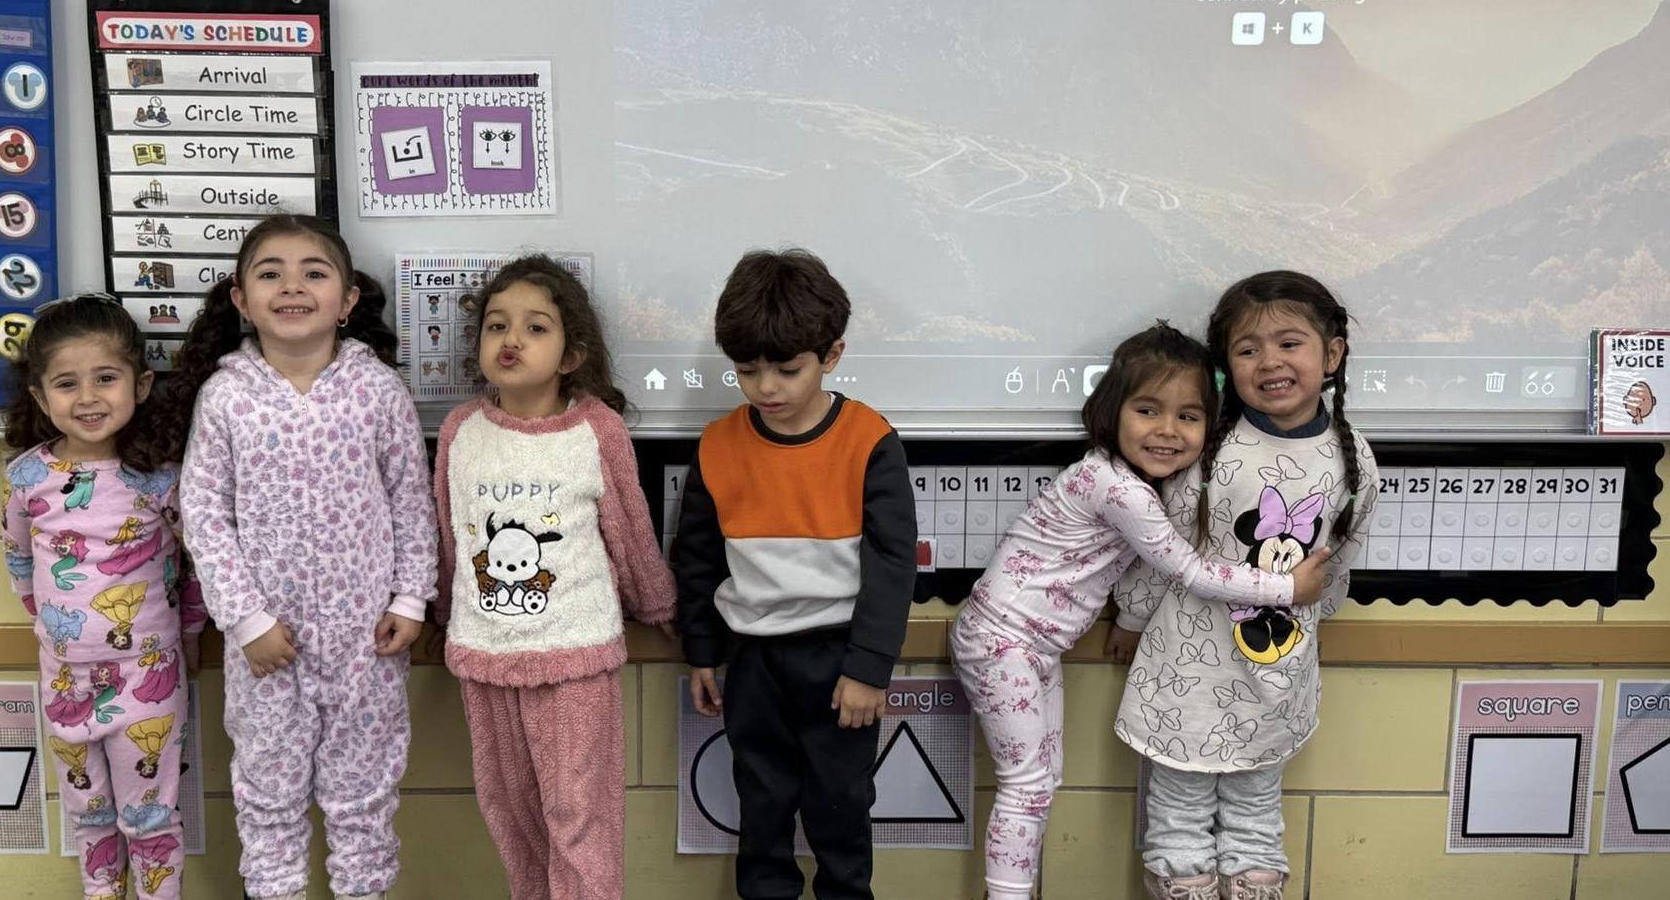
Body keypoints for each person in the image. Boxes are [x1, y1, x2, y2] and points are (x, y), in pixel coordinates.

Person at [950, 323, 1329, 900]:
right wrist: (1286, 587)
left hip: (1031, 645)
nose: (1167, 432)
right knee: (1026, 785)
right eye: (1148, 410)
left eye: (1189, 417)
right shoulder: (1113, 485)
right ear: (1112, 411)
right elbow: (1189, 570)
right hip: (1001, 639)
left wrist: (1129, 619)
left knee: (1040, 782)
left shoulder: (1134, 482)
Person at [171, 215, 437, 900]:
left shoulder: (378, 391)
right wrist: (247, 622)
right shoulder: (226, 397)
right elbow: (203, 514)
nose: (292, 287)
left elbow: (411, 498)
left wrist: (411, 599)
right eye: (270, 274)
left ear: (347, 300)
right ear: (240, 299)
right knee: (269, 807)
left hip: (365, 647)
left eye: (314, 273)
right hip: (265, 651)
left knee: (363, 807)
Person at [1112, 272, 1378, 900]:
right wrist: (1130, 616)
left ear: (1332, 354)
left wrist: (1313, 628)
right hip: (1189, 673)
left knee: (1257, 821)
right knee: (1177, 818)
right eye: (1248, 349)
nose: (1270, 362)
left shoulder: (1355, 459)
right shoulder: (1205, 447)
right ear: (1225, 364)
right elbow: (1162, 548)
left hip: (1276, 677)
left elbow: (1340, 565)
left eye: (1291, 343)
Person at [674, 249, 917, 900]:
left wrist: (868, 669)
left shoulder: (868, 440)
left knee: (840, 815)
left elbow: (893, 565)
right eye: (747, 371)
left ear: (831, 356)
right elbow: (695, 556)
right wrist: (701, 651)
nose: (766, 388)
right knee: (762, 812)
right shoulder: (719, 444)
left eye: (787, 369)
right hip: (754, 663)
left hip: (839, 661)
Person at [433, 254, 677, 900]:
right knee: (512, 818)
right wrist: (441, 620)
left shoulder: (595, 429)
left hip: (573, 659)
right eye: (496, 326)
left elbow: (629, 530)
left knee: (578, 819)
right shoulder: (461, 432)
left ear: (572, 354)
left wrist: (657, 604)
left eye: (535, 328)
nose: (511, 340)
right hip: (485, 658)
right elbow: (450, 539)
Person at [0, 294, 204, 900]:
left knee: (150, 818)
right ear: (40, 397)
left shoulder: (161, 476)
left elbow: (194, 566)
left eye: (106, 378)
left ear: (140, 385)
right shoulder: (27, 479)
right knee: (89, 818)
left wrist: (190, 634)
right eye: (67, 383)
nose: (87, 398)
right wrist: (55, 634)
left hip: (150, 673)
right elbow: (18, 562)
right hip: (65, 680)